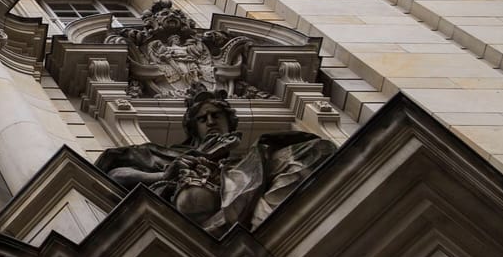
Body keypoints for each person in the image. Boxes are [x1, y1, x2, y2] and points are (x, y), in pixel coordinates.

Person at [96, 91, 335, 234]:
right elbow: (115, 175)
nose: (210, 121)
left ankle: (271, 224)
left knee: (316, 150)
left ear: (229, 122)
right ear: (193, 127)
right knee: (193, 197)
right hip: (190, 208)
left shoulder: (252, 159)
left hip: (242, 187)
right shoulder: (167, 153)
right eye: (202, 118)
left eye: (216, 115)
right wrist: (162, 176)